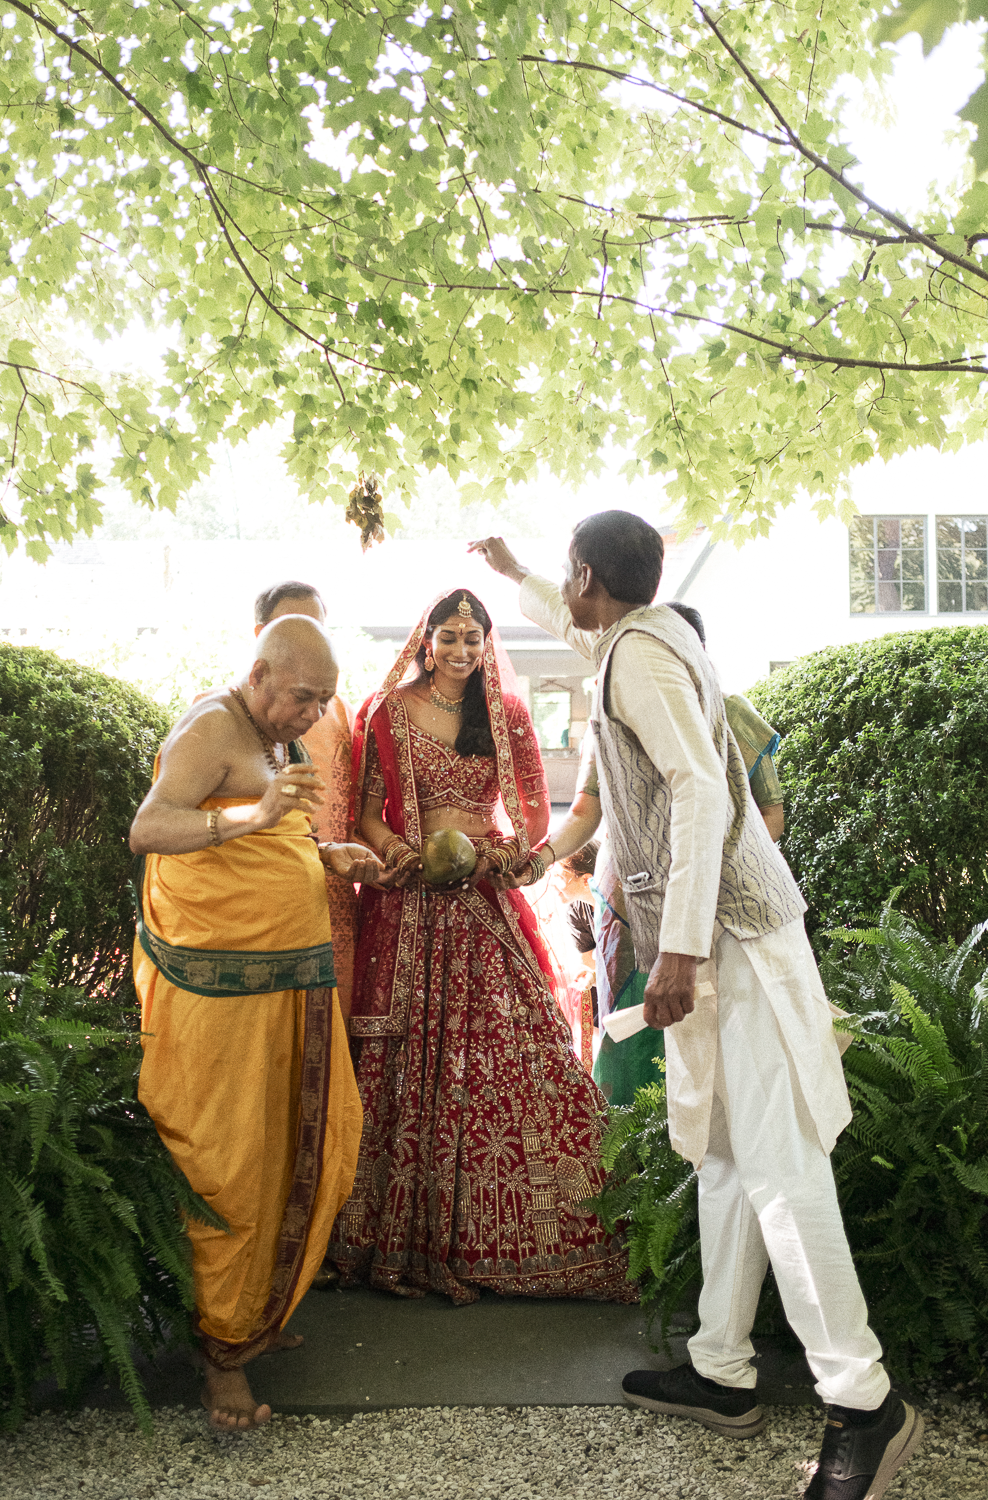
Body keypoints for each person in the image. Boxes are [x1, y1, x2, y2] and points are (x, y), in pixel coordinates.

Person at [470, 525, 922, 1500]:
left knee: (782, 1168)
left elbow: (699, 790)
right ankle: (722, 1369)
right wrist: (513, 576)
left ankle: (864, 1398)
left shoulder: (640, 657)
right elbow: (579, 627)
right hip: (723, 943)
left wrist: (673, 946)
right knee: (724, 1157)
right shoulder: (643, 637)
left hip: (735, 945)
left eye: (566, 579)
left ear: (591, 576)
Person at [329, 588, 635, 1305]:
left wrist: (499, 855)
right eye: (450, 637)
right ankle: (391, 1238)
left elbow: (532, 818)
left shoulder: (505, 714)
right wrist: (400, 851)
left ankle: (522, 1238)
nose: (462, 651)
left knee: (516, 1053)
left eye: (474, 639)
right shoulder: (386, 712)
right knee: (397, 1059)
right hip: (405, 901)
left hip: (483, 899)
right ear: (426, 639)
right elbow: (366, 814)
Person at [130, 616, 391, 1432]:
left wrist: (327, 852)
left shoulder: (279, 738)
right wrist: (251, 818)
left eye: (322, 701)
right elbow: (150, 828)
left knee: (307, 1144)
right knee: (232, 1167)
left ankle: (259, 1311)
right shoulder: (211, 727)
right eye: (302, 697)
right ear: (258, 673)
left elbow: (278, 826)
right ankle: (221, 1361)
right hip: (222, 998)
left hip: (290, 983)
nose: (312, 715)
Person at [253, 581, 358, 1021]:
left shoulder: (339, 711)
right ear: (260, 634)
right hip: (264, 901)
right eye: (290, 626)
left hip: (334, 896)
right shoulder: (227, 713)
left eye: (315, 627)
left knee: (334, 1035)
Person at [664, 601, 785, 841]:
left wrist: (723, 868)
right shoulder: (645, 717)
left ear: (699, 648)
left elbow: (773, 816)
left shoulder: (733, 713)